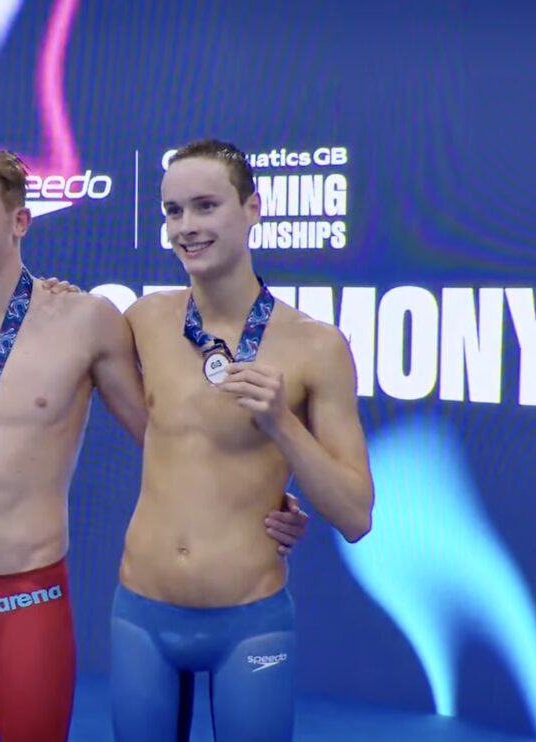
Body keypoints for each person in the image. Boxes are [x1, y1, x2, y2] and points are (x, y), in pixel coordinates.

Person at [0, 146, 309, 742]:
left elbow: (164, 433)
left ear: (19, 221)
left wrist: (263, 496)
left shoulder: (87, 321)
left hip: (28, 591)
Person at [109, 139, 375, 742]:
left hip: (249, 622)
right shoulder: (143, 320)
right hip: (141, 611)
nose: (186, 227)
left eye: (205, 206)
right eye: (173, 211)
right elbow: (48, 333)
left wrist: (283, 425)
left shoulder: (316, 346)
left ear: (253, 208)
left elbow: (356, 515)